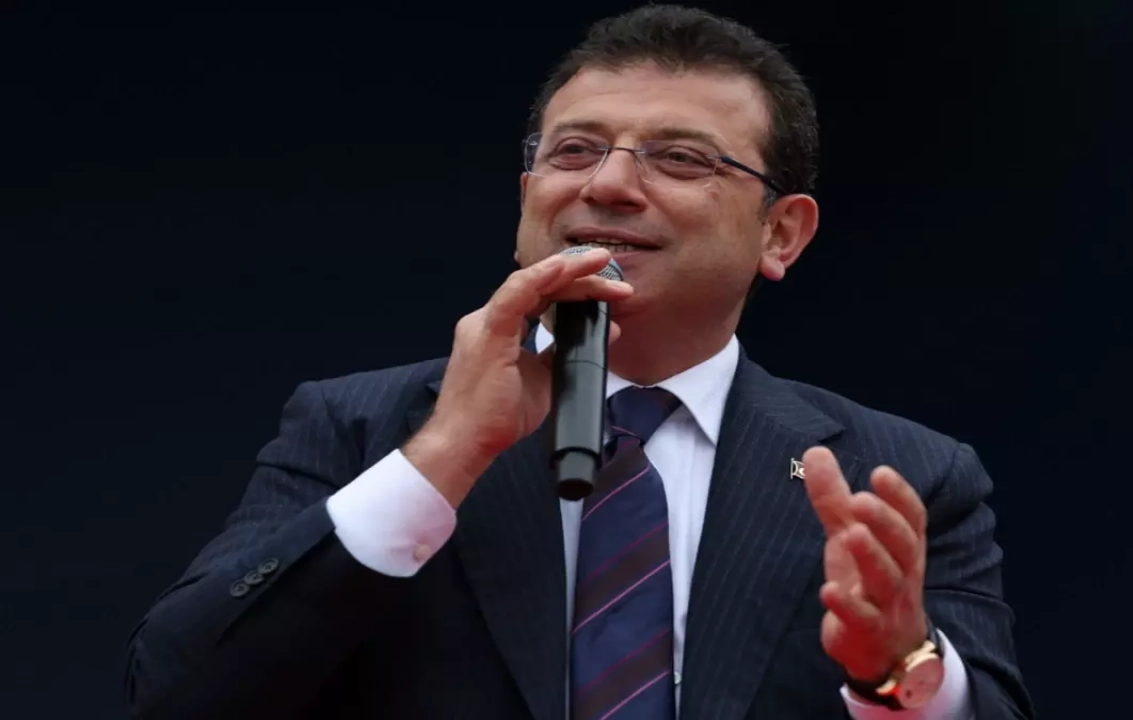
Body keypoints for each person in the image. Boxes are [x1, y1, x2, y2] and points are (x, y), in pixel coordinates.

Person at [123, 5, 1034, 719]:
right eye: (574, 151)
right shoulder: (361, 427)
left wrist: (900, 671)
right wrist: (442, 457)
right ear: (530, 197)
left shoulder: (902, 475)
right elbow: (175, 693)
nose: (607, 184)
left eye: (680, 158)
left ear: (781, 233)